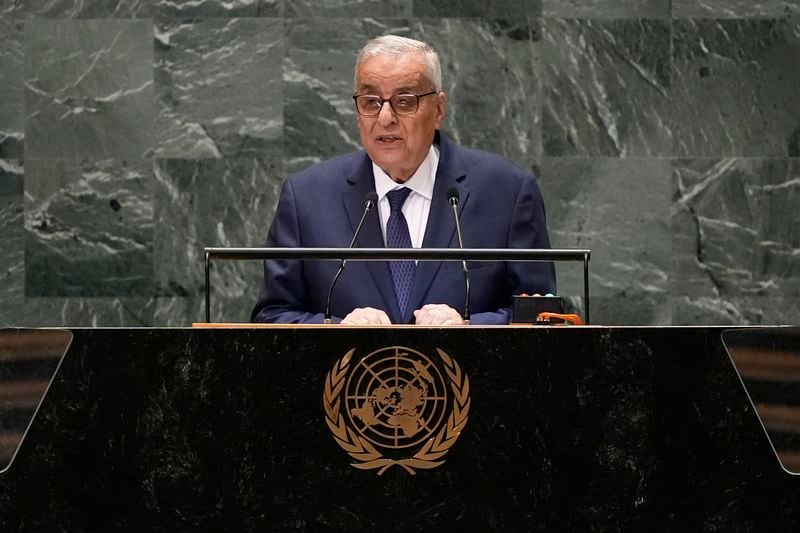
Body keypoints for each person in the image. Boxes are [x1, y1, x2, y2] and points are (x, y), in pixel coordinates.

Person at [251, 35, 555, 325]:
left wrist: (469, 326)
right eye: (371, 101)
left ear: (438, 109)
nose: (385, 118)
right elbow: (272, 316)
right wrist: (335, 328)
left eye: (405, 101)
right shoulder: (306, 198)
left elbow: (543, 316)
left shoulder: (507, 192)